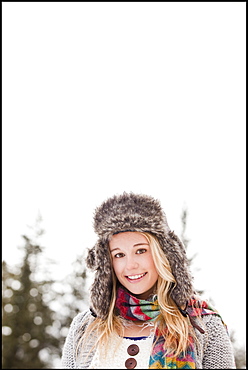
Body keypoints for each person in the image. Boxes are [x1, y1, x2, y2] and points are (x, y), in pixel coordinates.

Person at [61, 192, 236, 369]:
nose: (130, 265)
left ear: (164, 254)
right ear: (107, 262)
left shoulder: (203, 324)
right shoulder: (85, 326)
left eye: (141, 251)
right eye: (119, 255)